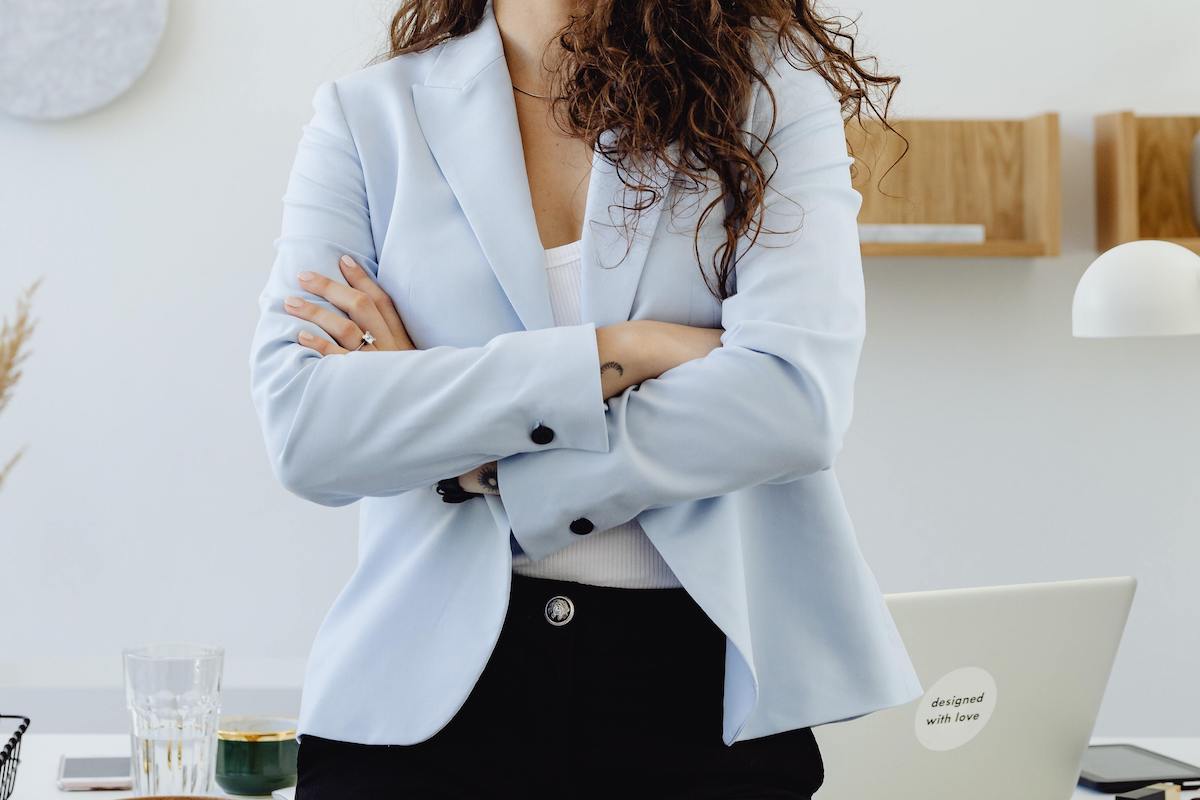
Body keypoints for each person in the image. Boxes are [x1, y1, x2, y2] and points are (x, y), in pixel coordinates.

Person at [248, 0, 919, 797]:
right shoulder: (367, 116)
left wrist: (481, 465)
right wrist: (621, 352)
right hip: (418, 697)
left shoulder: (764, 92)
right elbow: (308, 430)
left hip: (700, 689)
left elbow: (791, 404)